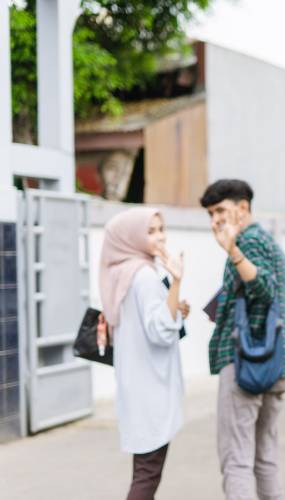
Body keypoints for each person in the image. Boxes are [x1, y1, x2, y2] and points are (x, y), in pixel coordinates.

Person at [200, 179, 285, 500]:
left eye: (220, 211)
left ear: (243, 208)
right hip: (276, 361)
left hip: (247, 361)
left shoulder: (248, 242)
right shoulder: (268, 243)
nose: (215, 220)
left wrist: (234, 253)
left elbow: (264, 288)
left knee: (236, 460)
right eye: (211, 214)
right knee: (264, 457)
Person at [99, 207, 190, 500]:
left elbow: (147, 322)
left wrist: (174, 306)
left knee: (144, 471)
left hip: (134, 386)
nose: (160, 237)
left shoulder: (120, 273)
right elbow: (161, 332)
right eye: (150, 231)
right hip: (151, 389)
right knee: (147, 475)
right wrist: (176, 281)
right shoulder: (145, 276)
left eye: (161, 229)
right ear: (131, 237)